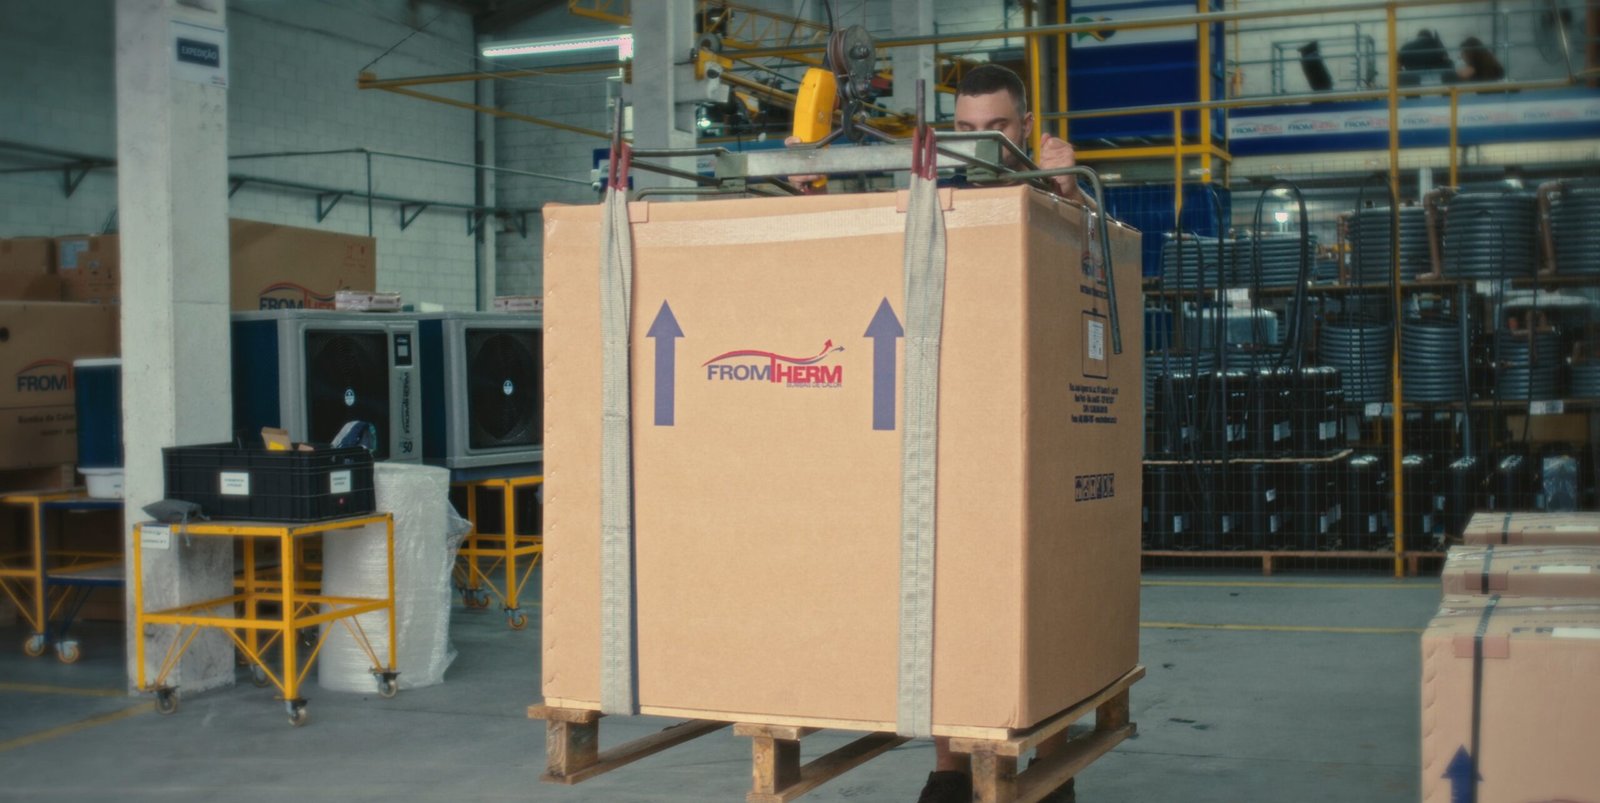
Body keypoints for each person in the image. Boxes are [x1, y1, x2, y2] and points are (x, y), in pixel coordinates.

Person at [787, 63, 1087, 206]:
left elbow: (1106, 243)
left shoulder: (1054, 193)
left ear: (1027, 126)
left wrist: (1072, 194)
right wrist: (812, 188)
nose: (981, 142)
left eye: (997, 128)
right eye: (966, 129)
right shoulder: (936, 197)